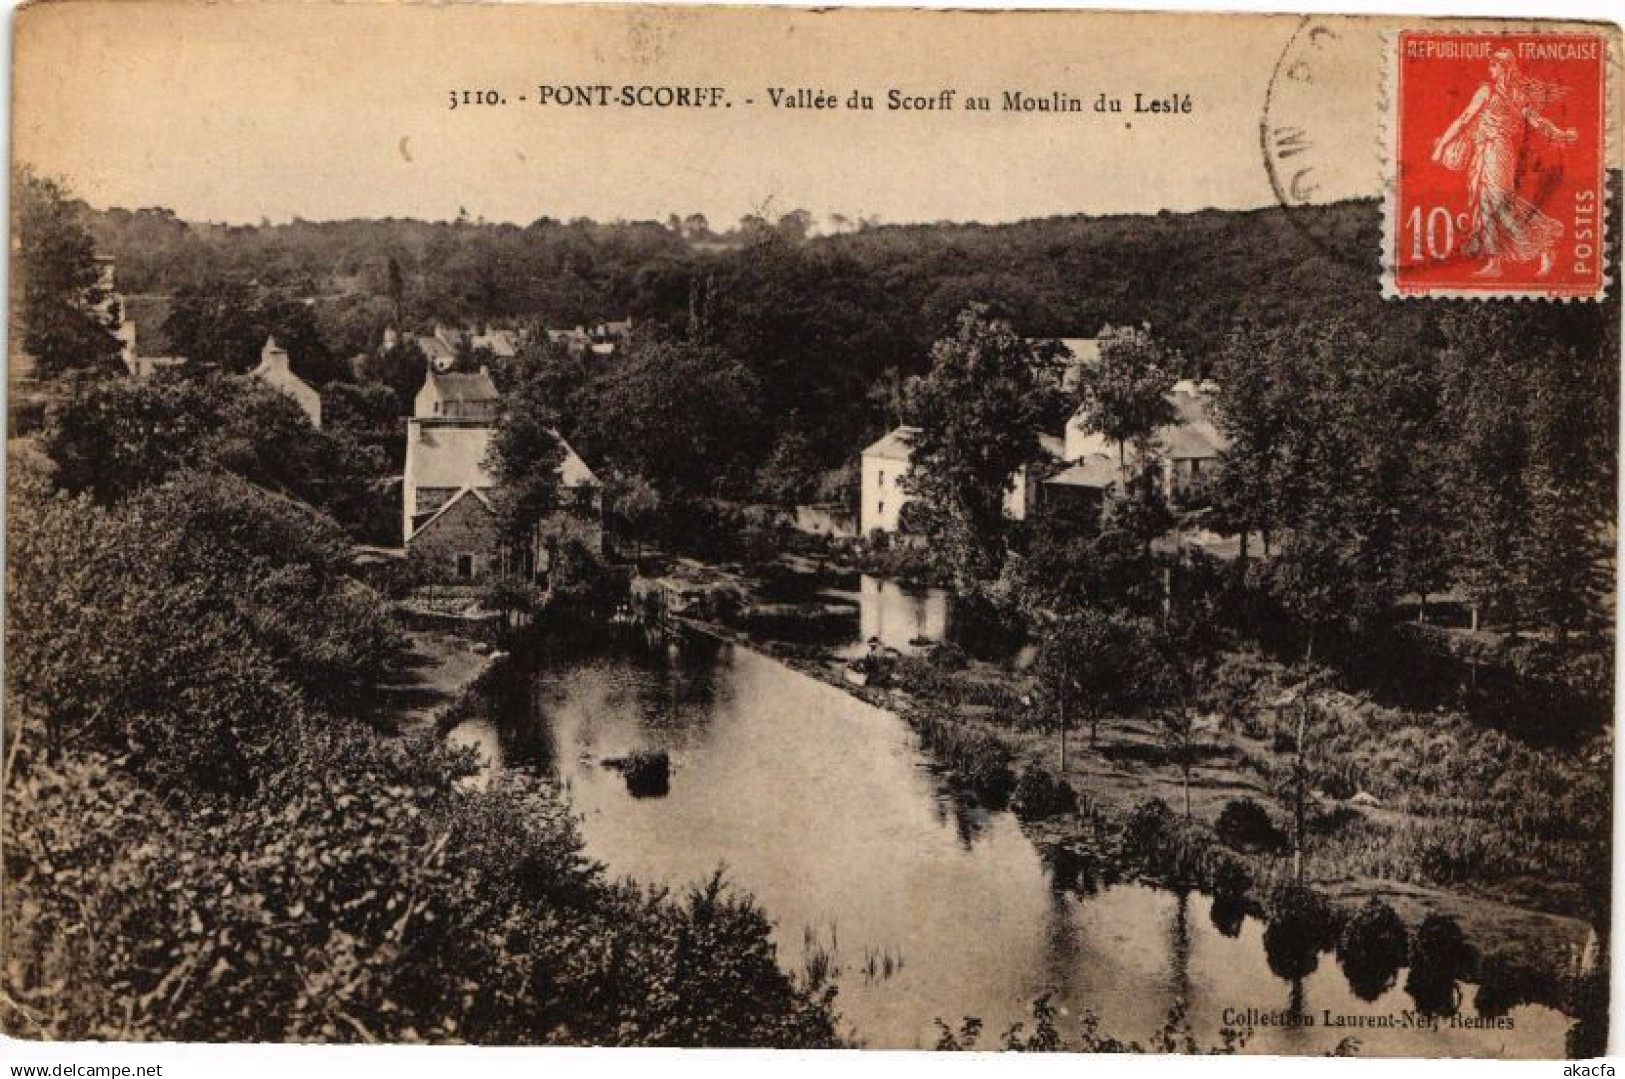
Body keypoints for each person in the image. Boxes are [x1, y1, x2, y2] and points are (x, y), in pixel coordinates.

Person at [1430, 48, 1579, 278]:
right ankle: (1494, 263)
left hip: (1498, 152)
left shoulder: (1506, 94)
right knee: (1486, 205)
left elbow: (1536, 121)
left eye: (1494, 66)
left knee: (1500, 206)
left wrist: (1561, 135)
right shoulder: (1490, 91)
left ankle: (1546, 244)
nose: (1491, 70)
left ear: (1504, 68)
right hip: (1485, 151)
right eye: (1491, 65)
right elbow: (1464, 119)